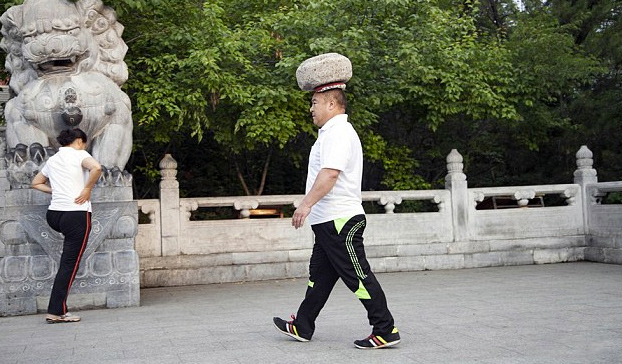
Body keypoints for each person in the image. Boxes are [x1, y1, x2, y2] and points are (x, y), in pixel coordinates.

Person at [273, 86, 400, 349]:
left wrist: (304, 205)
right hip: (328, 222)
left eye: (315, 102)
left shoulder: (339, 132)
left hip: (339, 221)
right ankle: (303, 325)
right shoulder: (329, 133)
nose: (311, 108)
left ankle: (385, 329)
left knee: (358, 276)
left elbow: (330, 174)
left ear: (332, 104)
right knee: (319, 277)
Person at [31, 128, 102, 323]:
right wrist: (87, 189)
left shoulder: (53, 160)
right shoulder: (79, 154)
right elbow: (96, 168)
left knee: (67, 261)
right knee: (69, 263)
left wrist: (56, 191)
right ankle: (56, 311)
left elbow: (36, 183)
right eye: (84, 143)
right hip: (76, 215)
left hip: (54, 215)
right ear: (79, 141)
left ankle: (58, 308)